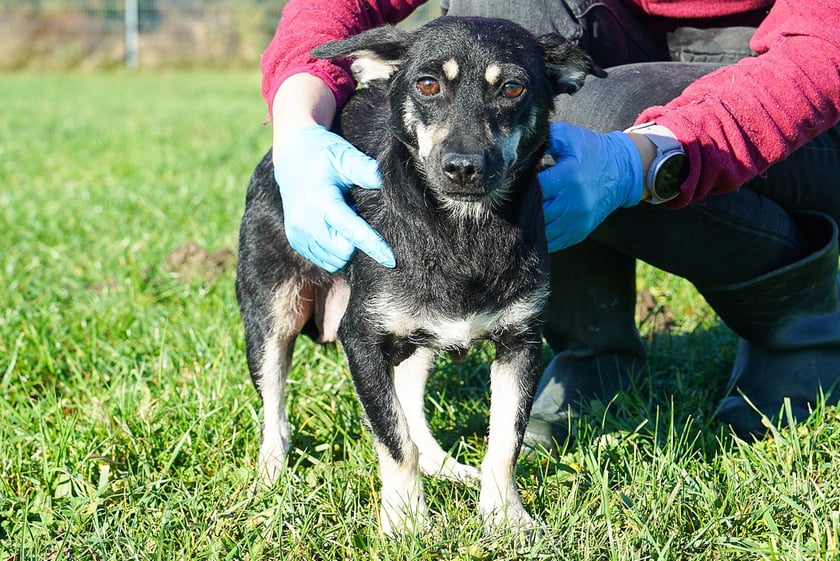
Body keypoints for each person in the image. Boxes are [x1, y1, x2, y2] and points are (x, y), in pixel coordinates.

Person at [260, 0, 840, 446]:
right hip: (627, 37)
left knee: (595, 118)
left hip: (802, 83)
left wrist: (638, 159)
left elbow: (822, 49)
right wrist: (297, 127)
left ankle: (797, 326)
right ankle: (592, 347)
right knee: (498, 18)